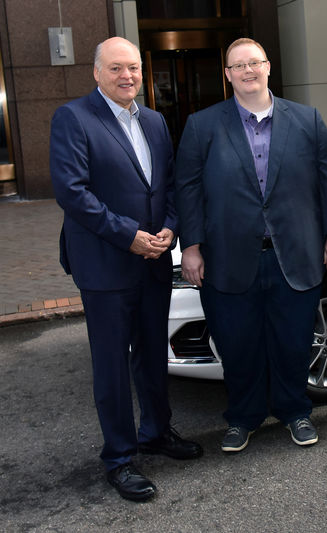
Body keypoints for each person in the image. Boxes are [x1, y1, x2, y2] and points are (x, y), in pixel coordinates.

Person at [175, 38, 327, 452]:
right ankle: (243, 418)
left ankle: (296, 412)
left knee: (292, 342)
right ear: (228, 75)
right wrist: (192, 247)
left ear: (268, 67)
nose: (248, 70)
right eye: (239, 65)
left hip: (296, 255)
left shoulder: (306, 120)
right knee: (238, 346)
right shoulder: (202, 125)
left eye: (255, 62)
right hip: (228, 260)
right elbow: (187, 190)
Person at [49, 37, 203, 503]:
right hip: (106, 263)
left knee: (153, 354)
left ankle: (156, 432)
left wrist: (170, 230)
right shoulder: (74, 118)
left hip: (154, 260)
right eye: (116, 68)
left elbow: (170, 186)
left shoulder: (154, 121)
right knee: (112, 365)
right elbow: (73, 192)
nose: (127, 76)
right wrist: (129, 235)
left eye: (133, 68)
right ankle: (119, 457)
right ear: (97, 73)